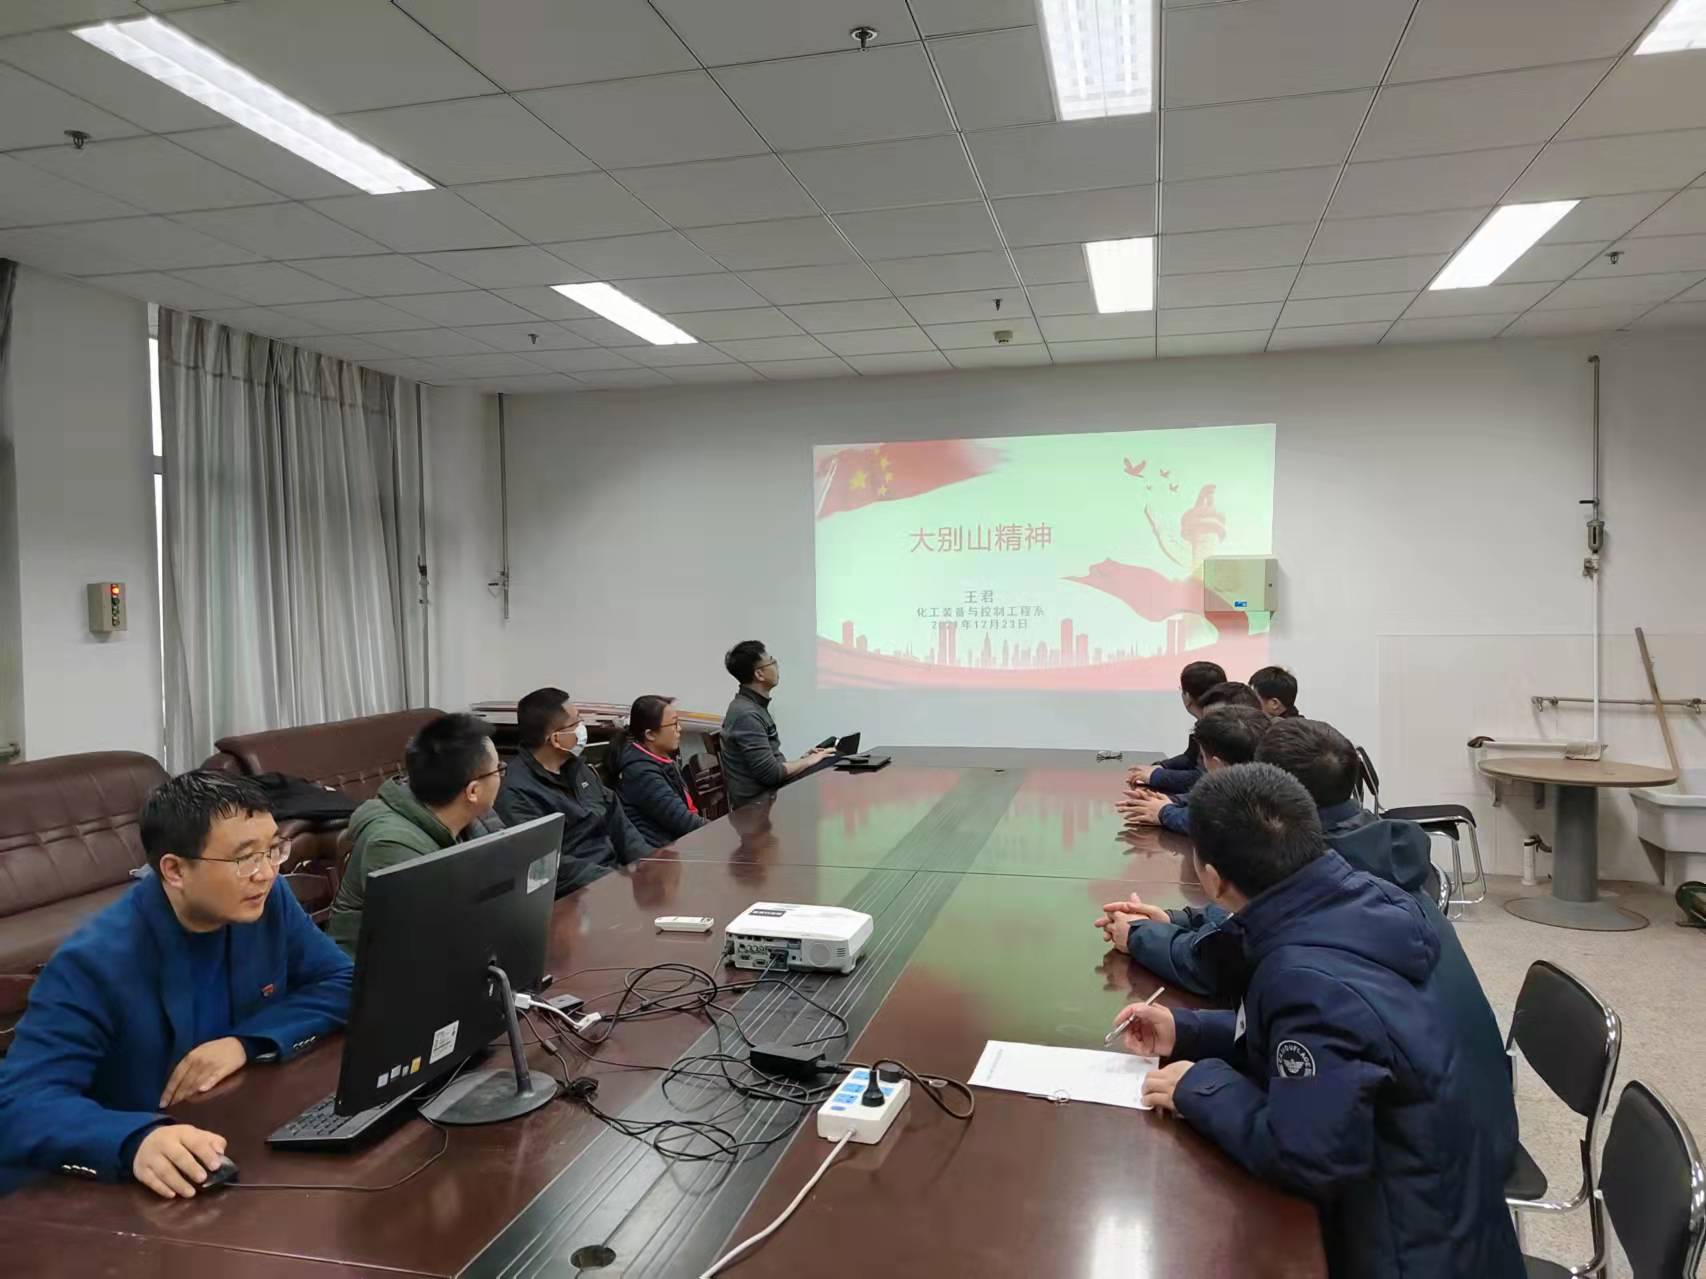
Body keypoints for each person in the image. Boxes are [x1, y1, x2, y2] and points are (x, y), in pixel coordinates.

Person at [1114, 765, 1523, 1279]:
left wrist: (1200, 1086)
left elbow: (1308, 1157)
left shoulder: (1305, 980)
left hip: (1409, 1251)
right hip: (1449, 1212)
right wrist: (1190, 1031)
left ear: (1213, 880)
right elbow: (1344, 1049)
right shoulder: (1361, 900)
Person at [0, 772, 352, 1199]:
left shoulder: (267, 900)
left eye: (273, 850)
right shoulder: (94, 963)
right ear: (175, 870)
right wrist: (135, 1140)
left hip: (236, 1132)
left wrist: (246, 1043)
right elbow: (20, 1103)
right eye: (244, 858)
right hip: (129, 1186)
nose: (265, 873)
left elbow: (343, 981)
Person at [1101, 717, 1463, 996]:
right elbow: (1255, 921)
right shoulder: (1373, 839)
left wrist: (1138, 936)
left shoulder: (1310, 862)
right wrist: (1178, 919)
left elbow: (1219, 963)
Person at [328, 712, 505, 955]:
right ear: (473, 791)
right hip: (374, 971)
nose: (501, 776)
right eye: (498, 769)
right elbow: (428, 937)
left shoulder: (474, 817)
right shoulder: (391, 844)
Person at [498, 687, 652, 894]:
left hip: (613, 877)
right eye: (576, 723)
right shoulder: (516, 792)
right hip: (575, 893)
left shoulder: (578, 769)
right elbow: (545, 863)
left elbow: (619, 822)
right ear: (555, 738)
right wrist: (613, 881)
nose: (582, 728)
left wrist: (649, 864)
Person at [718, 641, 832, 811]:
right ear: (759, 674)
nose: (777, 666)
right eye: (772, 661)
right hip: (758, 805)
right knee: (833, 762)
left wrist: (803, 760)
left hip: (771, 793)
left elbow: (770, 768)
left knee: (832, 759)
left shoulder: (753, 707)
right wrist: (808, 762)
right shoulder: (746, 714)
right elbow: (771, 775)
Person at [1119, 705, 1269, 833]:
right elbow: (1211, 796)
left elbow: (1208, 823)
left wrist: (1164, 812)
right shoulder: (1266, 782)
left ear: (1217, 764)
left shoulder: (1251, 809)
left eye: (1203, 757)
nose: (1202, 763)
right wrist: (1173, 801)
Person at [609, 694, 708, 847]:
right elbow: (684, 822)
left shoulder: (659, 758)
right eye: (674, 724)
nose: (679, 729)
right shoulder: (641, 773)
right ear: (650, 734)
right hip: (662, 853)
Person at [1127, 660, 1224, 796]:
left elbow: (1204, 778)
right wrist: (1160, 767)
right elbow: (1190, 757)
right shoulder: (1208, 720)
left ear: (1187, 696)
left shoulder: (1219, 727)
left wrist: (1156, 776)